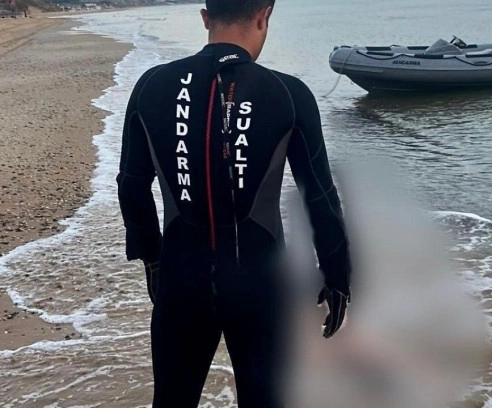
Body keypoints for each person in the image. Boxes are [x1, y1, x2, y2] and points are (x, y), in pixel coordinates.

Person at [115, 0, 353, 406]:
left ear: (206, 18)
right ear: (265, 15)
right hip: (259, 283)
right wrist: (338, 276)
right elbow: (319, 196)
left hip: (180, 278)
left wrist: (153, 260)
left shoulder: (151, 85)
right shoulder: (288, 93)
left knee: (172, 400)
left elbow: (131, 186)